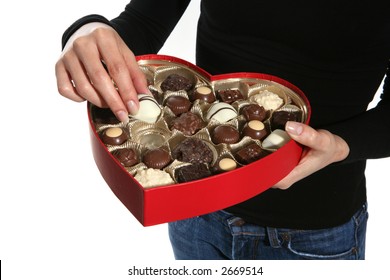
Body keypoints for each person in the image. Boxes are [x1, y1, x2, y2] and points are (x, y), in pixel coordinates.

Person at [55, 0, 390, 260]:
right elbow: (146, 18)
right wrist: (86, 34)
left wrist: (343, 145)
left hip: (313, 232)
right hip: (194, 206)